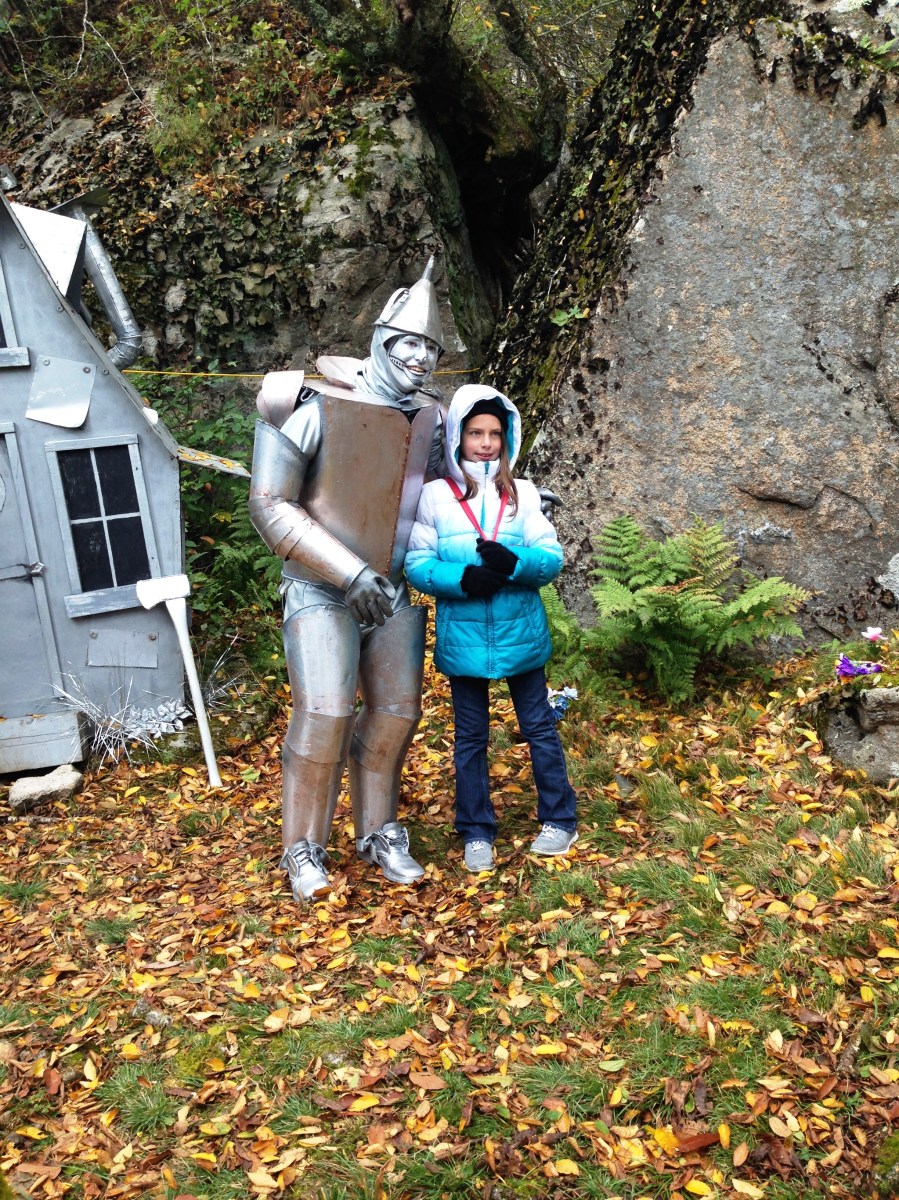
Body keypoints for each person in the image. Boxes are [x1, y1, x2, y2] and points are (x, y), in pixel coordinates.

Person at [248, 258, 446, 902]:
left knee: (396, 712)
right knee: (326, 711)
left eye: (431, 347)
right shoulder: (314, 404)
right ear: (383, 340)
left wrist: (511, 498)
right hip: (320, 584)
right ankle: (302, 846)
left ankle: (379, 830)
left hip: (391, 589)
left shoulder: (431, 419)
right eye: (410, 343)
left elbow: (442, 491)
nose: (420, 357)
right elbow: (271, 503)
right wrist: (349, 570)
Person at [405, 384, 578, 872]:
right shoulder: (434, 496)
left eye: (495, 434)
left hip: (520, 631)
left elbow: (551, 558)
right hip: (463, 634)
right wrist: (461, 579)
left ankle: (559, 818)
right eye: (476, 433)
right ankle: (477, 830)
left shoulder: (523, 493)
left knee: (538, 725)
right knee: (470, 736)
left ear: (507, 438)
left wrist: (514, 562)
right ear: (458, 437)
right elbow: (417, 562)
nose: (485, 443)